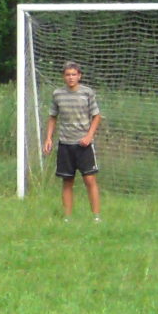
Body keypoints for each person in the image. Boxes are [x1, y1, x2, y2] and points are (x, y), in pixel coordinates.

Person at [42, 61, 102, 220]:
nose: (71, 77)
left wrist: (89, 136)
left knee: (90, 179)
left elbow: (97, 116)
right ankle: (67, 218)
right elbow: (52, 117)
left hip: (83, 145)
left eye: (74, 74)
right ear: (63, 76)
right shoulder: (57, 94)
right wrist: (48, 138)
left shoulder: (87, 93)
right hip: (65, 144)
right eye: (68, 75)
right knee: (67, 180)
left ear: (79, 76)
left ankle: (96, 217)